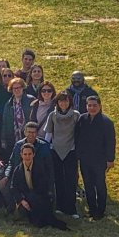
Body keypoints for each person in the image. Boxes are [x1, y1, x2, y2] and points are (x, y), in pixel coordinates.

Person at [75, 96, 116, 220]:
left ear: (99, 106)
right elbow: (77, 138)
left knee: (99, 184)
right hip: (85, 159)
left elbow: (110, 142)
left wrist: (110, 159)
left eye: (94, 105)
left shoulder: (106, 122)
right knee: (88, 184)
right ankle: (92, 209)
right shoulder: (82, 119)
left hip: (99, 159)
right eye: (89, 105)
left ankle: (100, 211)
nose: (92, 108)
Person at [10, 143, 67, 230]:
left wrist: (32, 198)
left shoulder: (40, 167)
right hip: (24, 199)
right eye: (25, 154)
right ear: (21, 155)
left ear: (34, 154)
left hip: (39, 197)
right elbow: (13, 187)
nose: (27, 156)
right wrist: (21, 200)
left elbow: (43, 187)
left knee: (42, 218)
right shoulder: (18, 170)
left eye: (29, 154)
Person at [44, 91, 80, 219]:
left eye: (66, 101)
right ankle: (60, 206)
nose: (63, 103)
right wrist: (45, 149)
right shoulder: (52, 116)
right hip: (56, 151)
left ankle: (72, 209)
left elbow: (79, 134)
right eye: (60, 101)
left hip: (71, 151)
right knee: (58, 180)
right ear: (57, 102)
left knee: (71, 180)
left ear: (70, 102)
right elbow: (48, 134)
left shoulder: (76, 116)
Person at [2, 122, 53, 213]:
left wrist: (49, 187)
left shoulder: (44, 146)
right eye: (29, 132)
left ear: (37, 133)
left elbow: (49, 167)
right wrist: (6, 175)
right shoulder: (18, 145)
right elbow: (11, 162)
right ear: (24, 132)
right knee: (4, 184)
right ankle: (12, 206)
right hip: (20, 177)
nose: (31, 134)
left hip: (37, 179)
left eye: (33, 132)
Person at [1, 77, 36, 160]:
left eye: (19, 87)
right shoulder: (8, 104)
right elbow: (5, 122)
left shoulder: (31, 100)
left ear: (23, 88)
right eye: (14, 88)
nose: (17, 90)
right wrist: (3, 139)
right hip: (13, 137)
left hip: (28, 136)